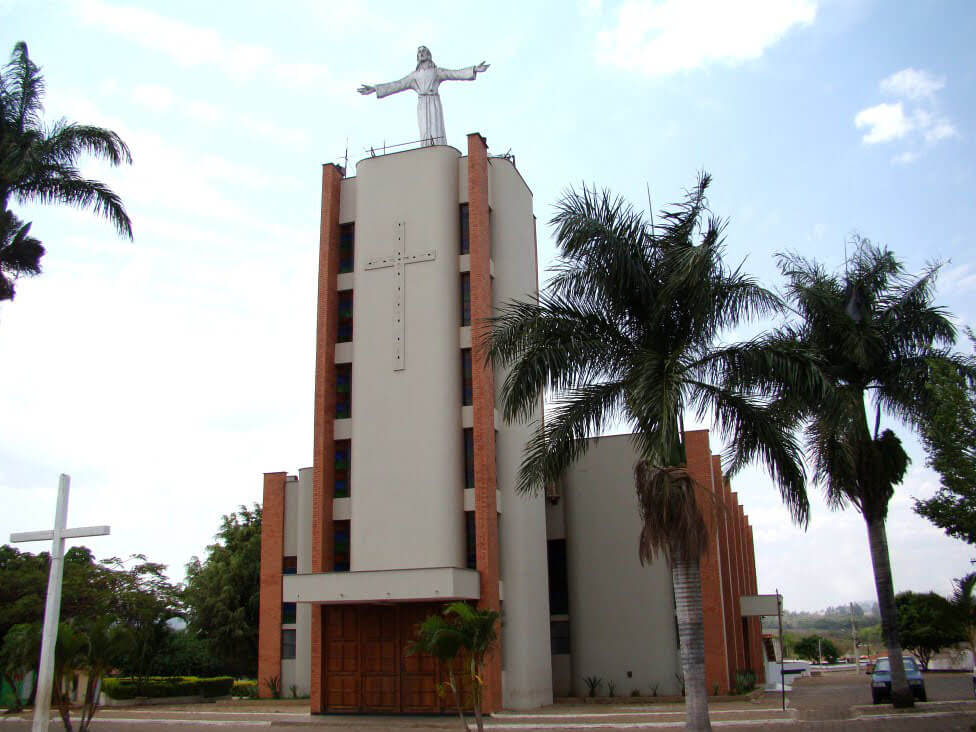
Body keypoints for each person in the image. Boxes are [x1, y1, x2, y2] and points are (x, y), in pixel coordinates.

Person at [359, 46, 489, 146]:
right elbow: (397, 85)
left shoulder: (436, 72)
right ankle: (426, 150)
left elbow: (454, 73)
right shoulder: (414, 76)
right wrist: (375, 89)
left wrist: (473, 70)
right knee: (424, 131)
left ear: (428, 55)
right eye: (419, 52)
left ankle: (438, 148)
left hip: (433, 100)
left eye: (423, 51)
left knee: (436, 128)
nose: (421, 53)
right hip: (422, 103)